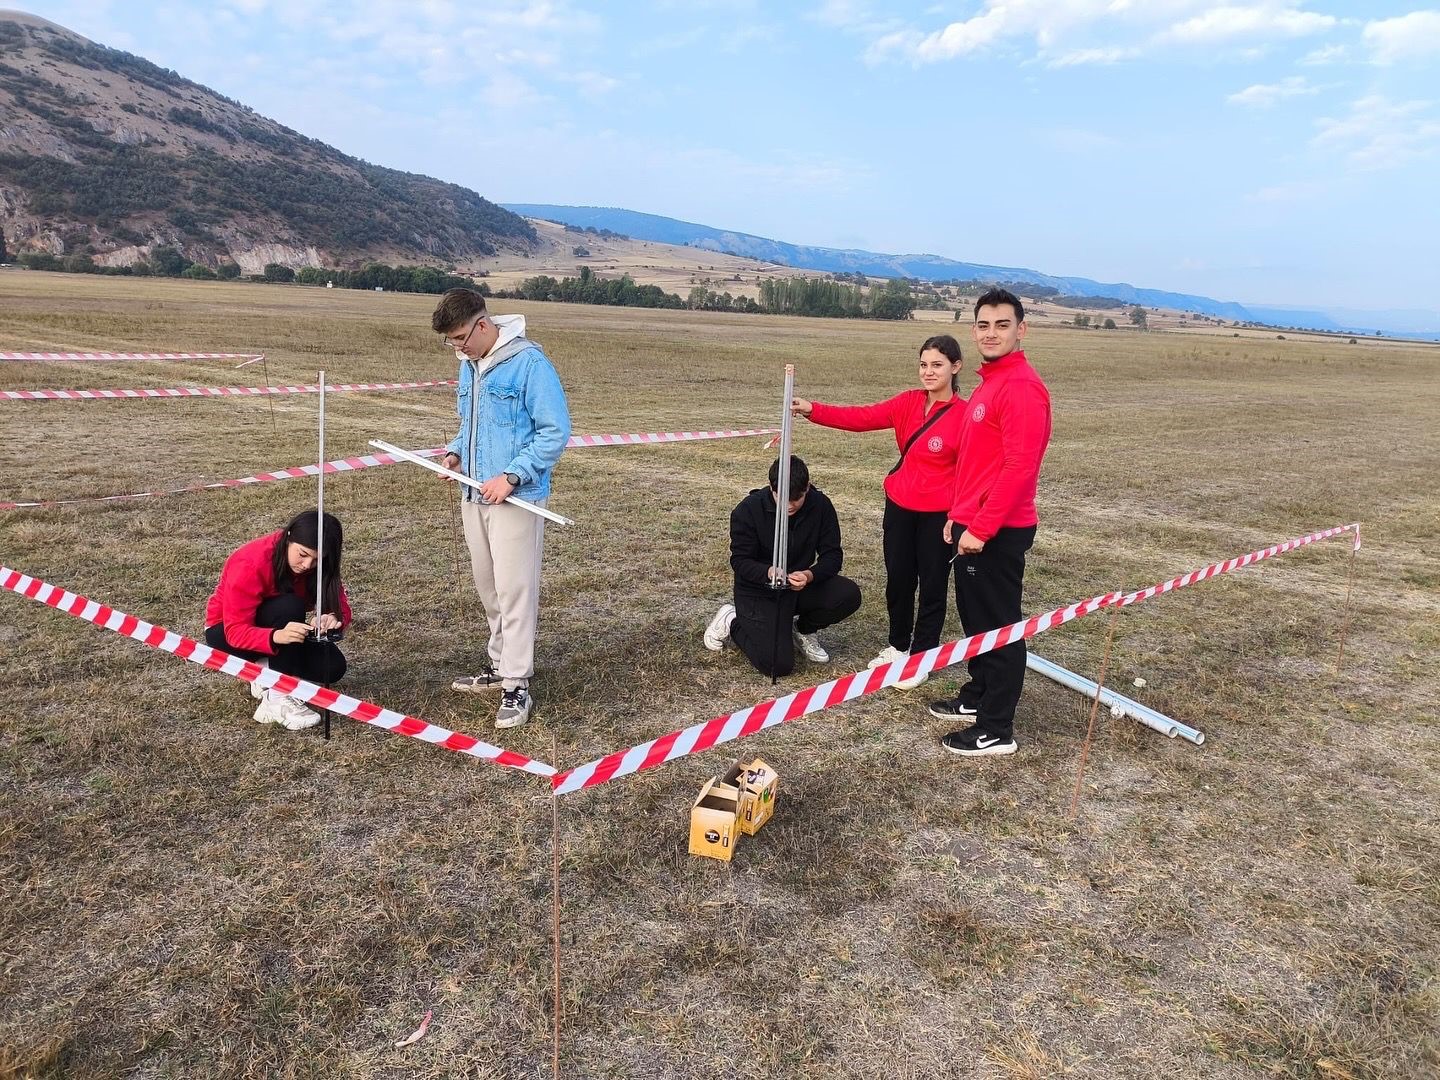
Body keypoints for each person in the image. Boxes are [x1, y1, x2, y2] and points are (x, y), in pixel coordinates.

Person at [791, 335, 966, 690]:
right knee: (899, 581)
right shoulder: (907, 402)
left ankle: (922, 657)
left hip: (938, 514)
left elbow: (972, 470)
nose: (928, 372)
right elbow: (863, 417)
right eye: (923, 365)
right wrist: (814, 410)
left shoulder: (965, 415)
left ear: (955, 367)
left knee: (932, 586)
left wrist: (959, 514)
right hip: (900, 507)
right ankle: (898, 646)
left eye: (937, 365)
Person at [432, 287, 571, 729]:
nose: (457, 347)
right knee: (489, 586)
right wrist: (456, 452)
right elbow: (470, 424)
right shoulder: (469, 366)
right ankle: (498, 665)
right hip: (473, 493)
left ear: (483, 324)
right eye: (450, 341)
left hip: (517, 498)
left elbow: (554, 431)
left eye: (459, 337)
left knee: (515, 590)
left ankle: (517, 684)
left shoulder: (530, 363)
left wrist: (512, 475)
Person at [928, 287, 1052, 757]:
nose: (992, 333)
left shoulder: (1021, 387)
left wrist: (981, 528)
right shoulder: (991, 382)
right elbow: (978, 462)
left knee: (999, 627)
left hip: (997, 530)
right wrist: (958, 517)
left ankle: (996, 728)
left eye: (1003, 325)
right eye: (984, 325)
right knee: (977, 620)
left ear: (1022, 329)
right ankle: (977, 696)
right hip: (974, 523)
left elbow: (1020, 467)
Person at [704, 455, 862, 677]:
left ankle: (803, 630)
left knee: (848, 594)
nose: (789, 505)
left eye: (796, 498)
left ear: (807, 487)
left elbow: (833, 556)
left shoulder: (821, 506)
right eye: (781, 497)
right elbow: (739, 561)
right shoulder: (748, 510)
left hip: (798, 587)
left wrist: (809, 575)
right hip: (757, 591)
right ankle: (732, 620)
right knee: (777, 665)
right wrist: (767, 572)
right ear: (771, 487)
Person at [204, 509, 350, 731]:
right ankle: (275, 699)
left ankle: (262, 671)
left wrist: (332, 618)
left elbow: (340, 607)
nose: (307, 565)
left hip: (279, 629)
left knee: (332, 667)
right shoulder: (250, 562)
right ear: (288, 537)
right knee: (289, 606)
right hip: (224, 632)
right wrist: (276, 636)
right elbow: (234, 631)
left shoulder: (321, 566)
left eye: (317, 560)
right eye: (302, 554)